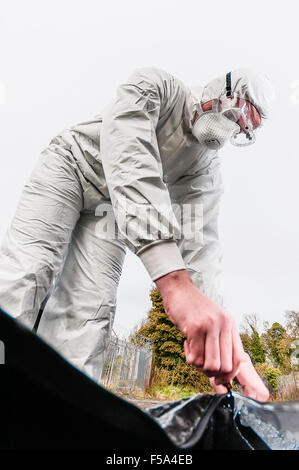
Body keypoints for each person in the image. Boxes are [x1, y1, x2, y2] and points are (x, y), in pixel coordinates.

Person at [0, 67, 274, 400]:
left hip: (113, 210)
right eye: (241, 114)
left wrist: (233, 353)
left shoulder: (204, 167)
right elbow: (130, 159)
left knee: (88, 316)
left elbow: (203, 249)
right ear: (224, 89)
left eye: (246, 129)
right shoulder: (155, 87)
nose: (235, 127)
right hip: (70, 166)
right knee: (27, 273)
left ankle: (54, 414)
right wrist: (173, 283)